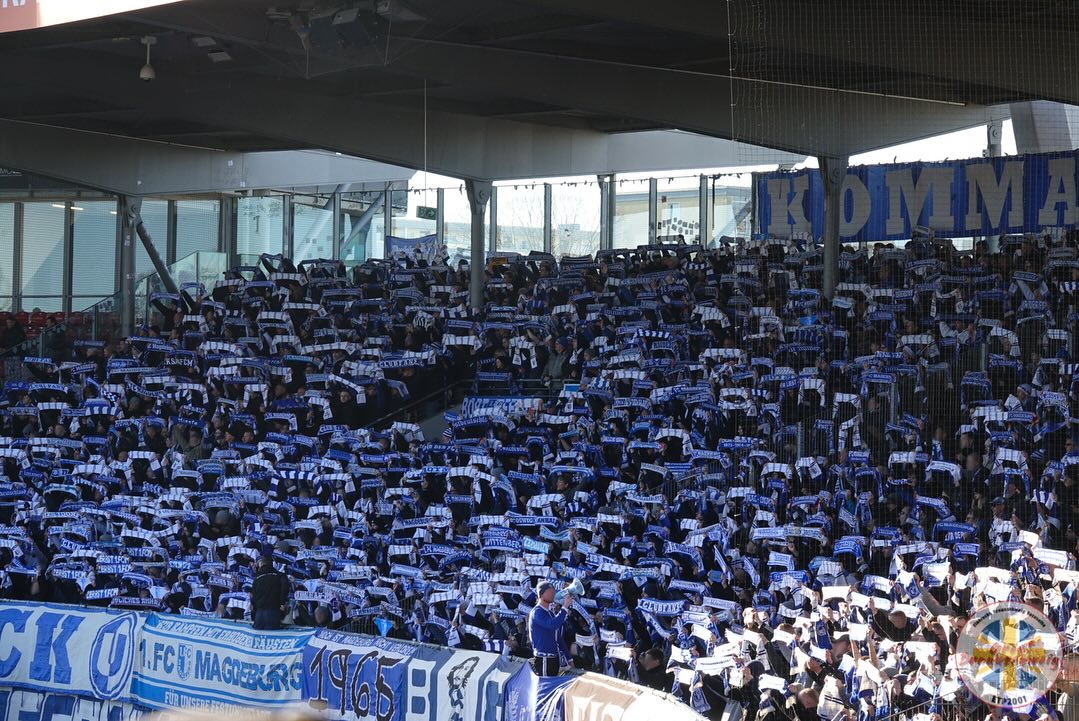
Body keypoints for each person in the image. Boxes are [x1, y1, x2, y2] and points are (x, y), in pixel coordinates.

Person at [528, 581, 571, 676]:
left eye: (553, 591)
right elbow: (552, 624)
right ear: (541, 594)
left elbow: (558, 638)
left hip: (554, 659)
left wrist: (569, 659)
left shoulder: (550, 614)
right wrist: (565, 607)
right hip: (543, 659)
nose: (553, 594)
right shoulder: (537, 612)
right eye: (550, 592)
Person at [251, 556, 289, 630]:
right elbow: (285, 589)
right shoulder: (280, 576)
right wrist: (282, 603)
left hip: (259, 615)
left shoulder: (256, 578)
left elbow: (253, 597)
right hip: (273, 612)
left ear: (261, 564)